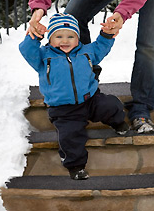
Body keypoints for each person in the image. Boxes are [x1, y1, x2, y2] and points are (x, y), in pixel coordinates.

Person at [27, 0, 154, 134]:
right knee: (72, 17)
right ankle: (86, 93)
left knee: (148, 43)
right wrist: (38, 4)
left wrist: (122, 13)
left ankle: (141, 108)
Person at [20, 13, 130, 180]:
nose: (65, 40)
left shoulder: (86, 51)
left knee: (111, 104)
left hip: (90, 100)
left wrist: (107, 35)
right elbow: (26, 50)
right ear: (50, 39)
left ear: (78, 38)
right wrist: (34, 37)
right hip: (63, 109)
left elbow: (101, 46)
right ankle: (76, 166)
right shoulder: (43, 57)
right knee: (70, 136)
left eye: (71, 36)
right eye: (59, 36)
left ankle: (118, 123)